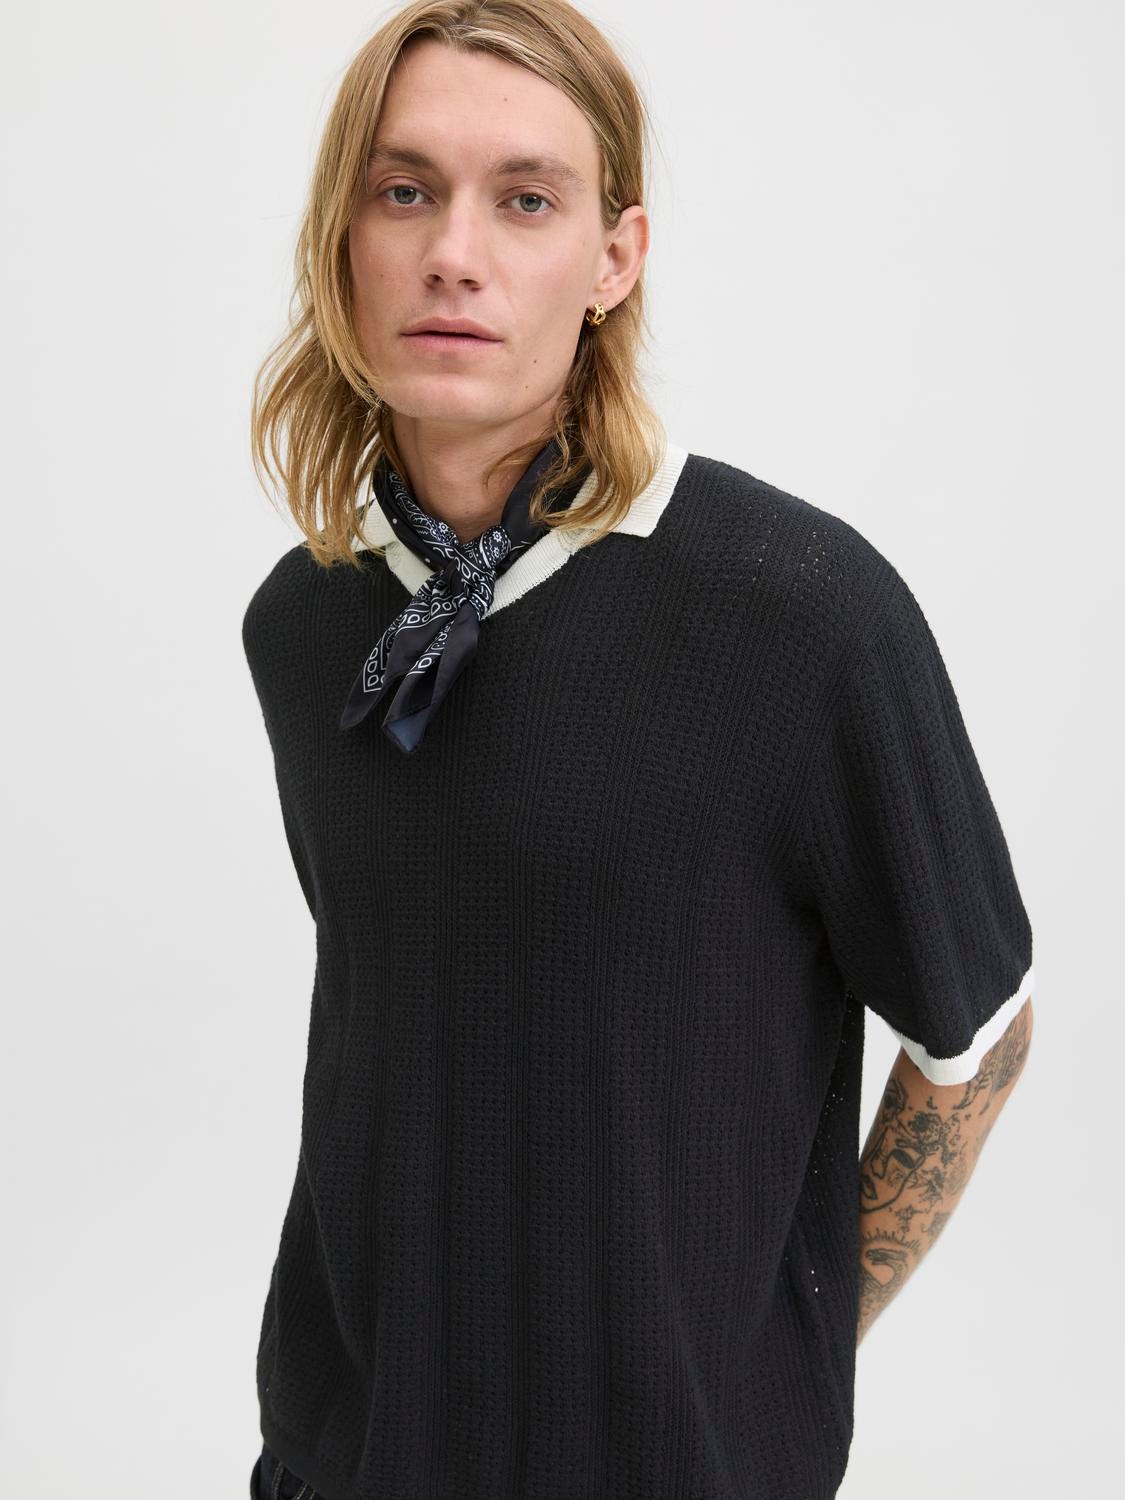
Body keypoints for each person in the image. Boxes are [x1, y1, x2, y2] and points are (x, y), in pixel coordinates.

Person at [241, 2, 1036, 1497]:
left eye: (525, 200)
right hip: (346, 1456)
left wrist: (786, 1342)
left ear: (615, 259)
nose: (453, 253)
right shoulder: (303, 621)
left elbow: (973, 1036)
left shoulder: (799, 614)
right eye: (403, 190)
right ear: (341, 239)